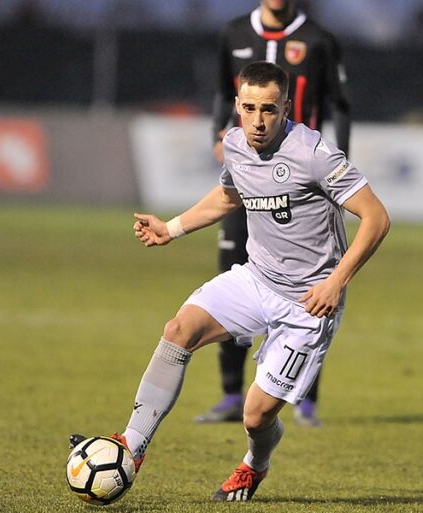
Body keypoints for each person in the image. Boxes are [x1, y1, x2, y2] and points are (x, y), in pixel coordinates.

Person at [71, 62, 389, 502]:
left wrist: (337, 282)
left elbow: (376, 217)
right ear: (237, 105)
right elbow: (228, 195)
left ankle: (254, 465)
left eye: (269, 110)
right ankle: (133, 443)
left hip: (309, 302)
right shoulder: (235, 144)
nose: (258, 121)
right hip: (256, 279)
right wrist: (171, 228)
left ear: (287, 108)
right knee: (179, 330)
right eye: (250, 108)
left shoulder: (314, 153)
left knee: (256, 417)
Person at [199, 0, 352, 426]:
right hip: (249, 175)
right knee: (232, 276)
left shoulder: (319, 39)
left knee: (311, 289)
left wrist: (339, 169)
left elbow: (339, 104)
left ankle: (305, 399)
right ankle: (231, 393)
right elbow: (221, 91)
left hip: (301, 182)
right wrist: (216, 134)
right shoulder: (233, 33)